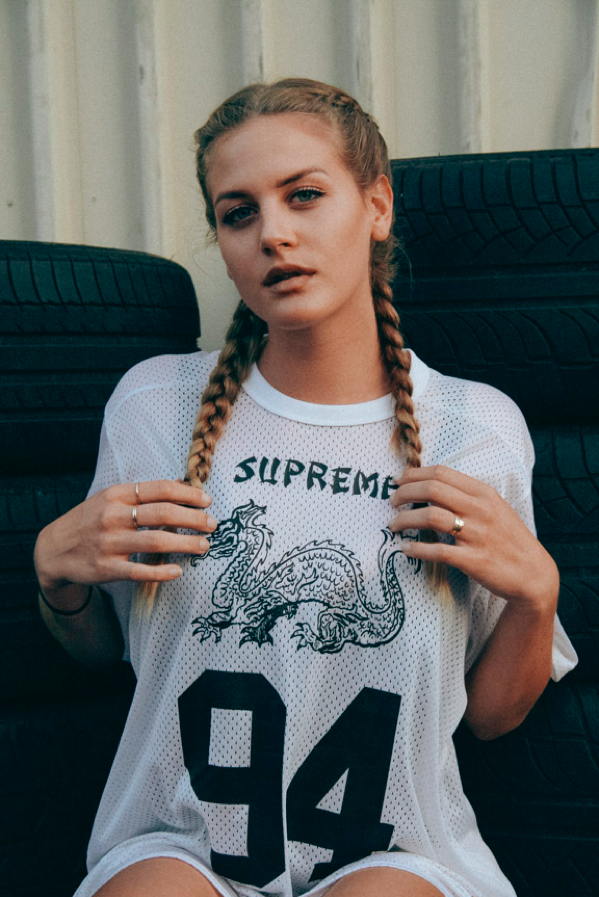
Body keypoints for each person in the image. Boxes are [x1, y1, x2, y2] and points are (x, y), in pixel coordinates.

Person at [34, 79, 577, 897]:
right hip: (178, 844)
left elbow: (493, 716)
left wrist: (537, 593)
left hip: (397, 852)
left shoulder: (474, 427)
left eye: (304, 195)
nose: (274, 234)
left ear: (376, 205)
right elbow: (104, 649)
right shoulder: (153, 407)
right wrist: (56, 577)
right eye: (238, 212)